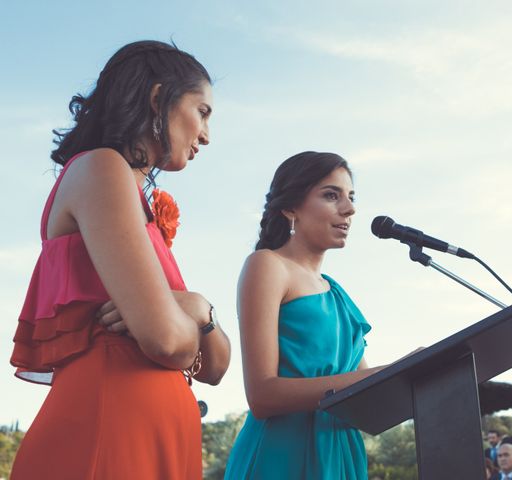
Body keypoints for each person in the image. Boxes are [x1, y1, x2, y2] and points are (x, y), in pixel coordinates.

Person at [9, 40, 231, 479]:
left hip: (152, 436)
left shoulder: (133, 198)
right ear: (157, 97)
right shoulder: (102, 168)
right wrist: (183, 324)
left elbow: (216, 369)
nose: (207, 134)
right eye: (202, 112)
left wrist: (198, 308)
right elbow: (168, 342)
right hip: (110, 434)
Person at [223, 152, 382, 479]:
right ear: (290, 207)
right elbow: (262, 395)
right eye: (331, 195)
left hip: (340, 454)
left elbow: (367, 395)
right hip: (284, 455)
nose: (349, 209)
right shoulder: (267, 265)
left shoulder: (337, 293)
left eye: (351, 197)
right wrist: (391, 372)